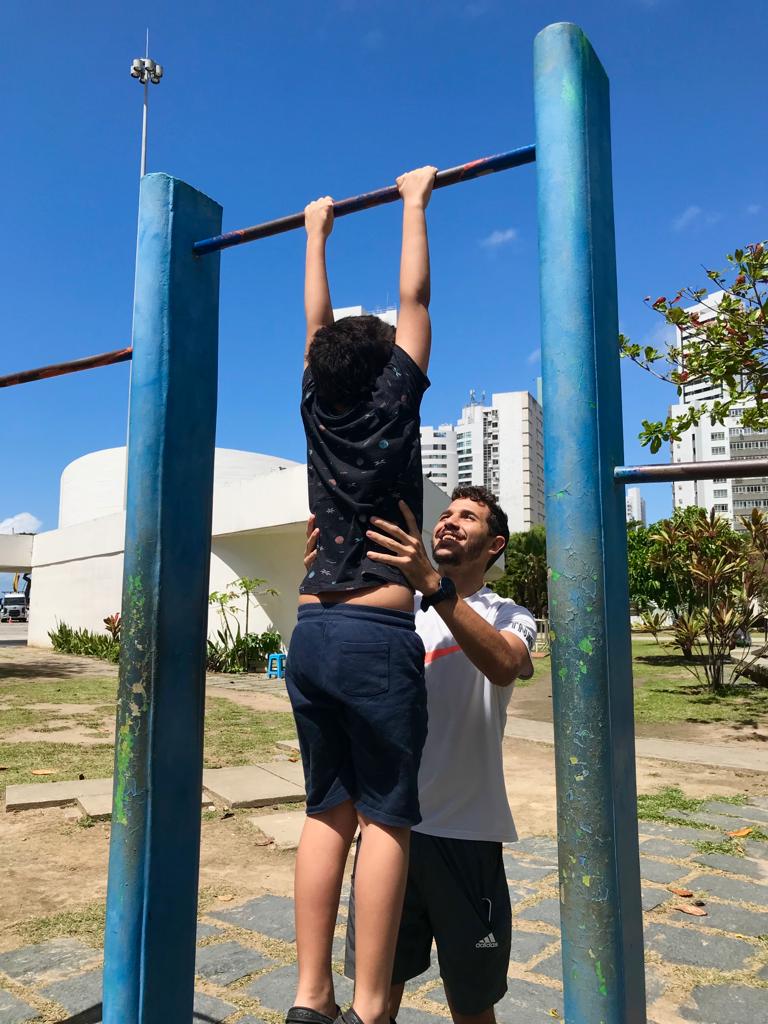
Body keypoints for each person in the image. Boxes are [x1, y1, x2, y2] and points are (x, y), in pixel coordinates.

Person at [285, 165, 438, 1024]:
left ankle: (313, 998)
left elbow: (319, 325)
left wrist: (316, 231)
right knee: (384, 817)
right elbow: (415, 298)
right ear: (387, 368)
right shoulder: (393, 408)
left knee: (326, 811)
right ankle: (373, 1005)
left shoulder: (316, 403)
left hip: (309, 632)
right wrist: (415, 201)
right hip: (377, 638)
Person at [306, 485, 536, 1024]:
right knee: (376, 999)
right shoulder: (391, 609)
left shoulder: (509, 613)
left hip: (468, 837)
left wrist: (433, 584)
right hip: (389, 831)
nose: (450, 523)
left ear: (494, 543)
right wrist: (318, 579)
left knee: (472, 1005)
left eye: (469, 517)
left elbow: (505, 665)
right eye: (447, 514)